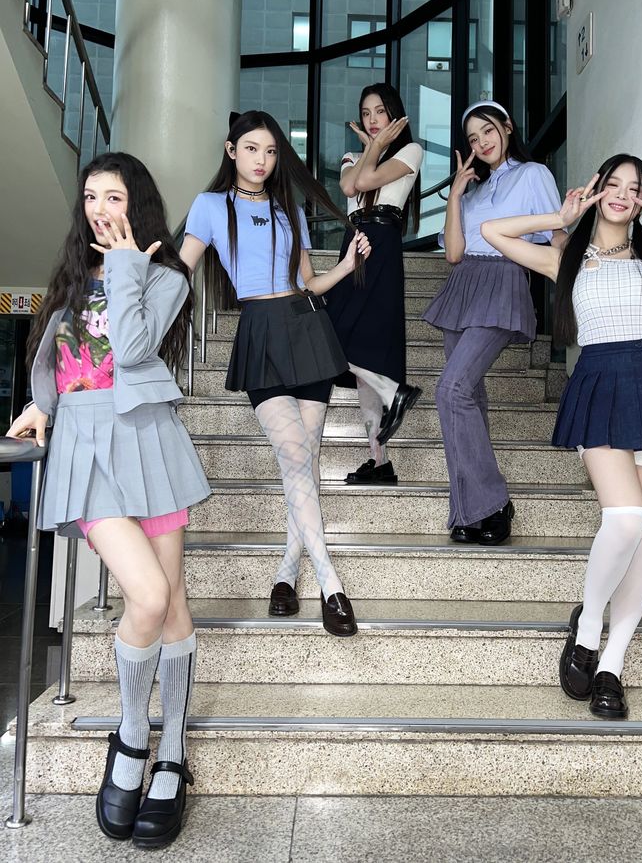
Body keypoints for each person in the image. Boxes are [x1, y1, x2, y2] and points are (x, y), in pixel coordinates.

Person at [481, 153, 642, 718]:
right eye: (613, 184)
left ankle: (611, 668)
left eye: (635, 187)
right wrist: (560, 214)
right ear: (596, 190)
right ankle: (589, 624)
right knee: (622, 519)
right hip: (598, 383)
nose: (623, 194)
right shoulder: (565, 257)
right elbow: (491, 230)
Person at [7, 152, 212, 848]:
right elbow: (60, 358)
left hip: (148, 443)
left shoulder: (166, 278)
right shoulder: (71, 276)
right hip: (88, 452)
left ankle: (173, 750)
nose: (98, 207)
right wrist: (39, 407)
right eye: (90, 196)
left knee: (174, 601)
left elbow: (130, 347)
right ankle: (132, 735)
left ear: (137, 203)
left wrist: (128, 266)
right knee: (148, 597)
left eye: (113, 196)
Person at [180, 110, 371, 637]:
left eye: (270, 151)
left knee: (303, 462)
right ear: (231, 150)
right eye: (251, 150)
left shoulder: (289, 209)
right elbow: (181, 268)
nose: (262, 161)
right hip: (260, 333)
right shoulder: (211, 206)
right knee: (292, 454)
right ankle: (332, 584)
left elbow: (309, 282)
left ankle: (286, 575)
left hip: (307, 329)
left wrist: (349, 268)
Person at [423, 101, 561, 545]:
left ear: (507, 126)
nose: (481, 143)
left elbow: (558, 237)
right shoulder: (475, 192)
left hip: (503, 279)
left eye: (487, 131)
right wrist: (458, 196)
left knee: (452, 389)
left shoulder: (533, 174)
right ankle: (469, 510)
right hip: (464, 284)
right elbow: (453, 253)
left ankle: (493, 502)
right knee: (469, 398)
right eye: (472, 138)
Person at [326, 83, 424, 485]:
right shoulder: (353, 155)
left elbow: (367, 184)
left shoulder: (411, 152)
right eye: (366, 113)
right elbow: (350, 186)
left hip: (382, 240)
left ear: (395, 115)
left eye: (380, 111)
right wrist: (370, 145)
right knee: (332, 336)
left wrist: (378, 146)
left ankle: (388, 407)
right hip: (355, 243)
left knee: (357, 344)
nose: (372, 120)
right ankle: (379, 456)